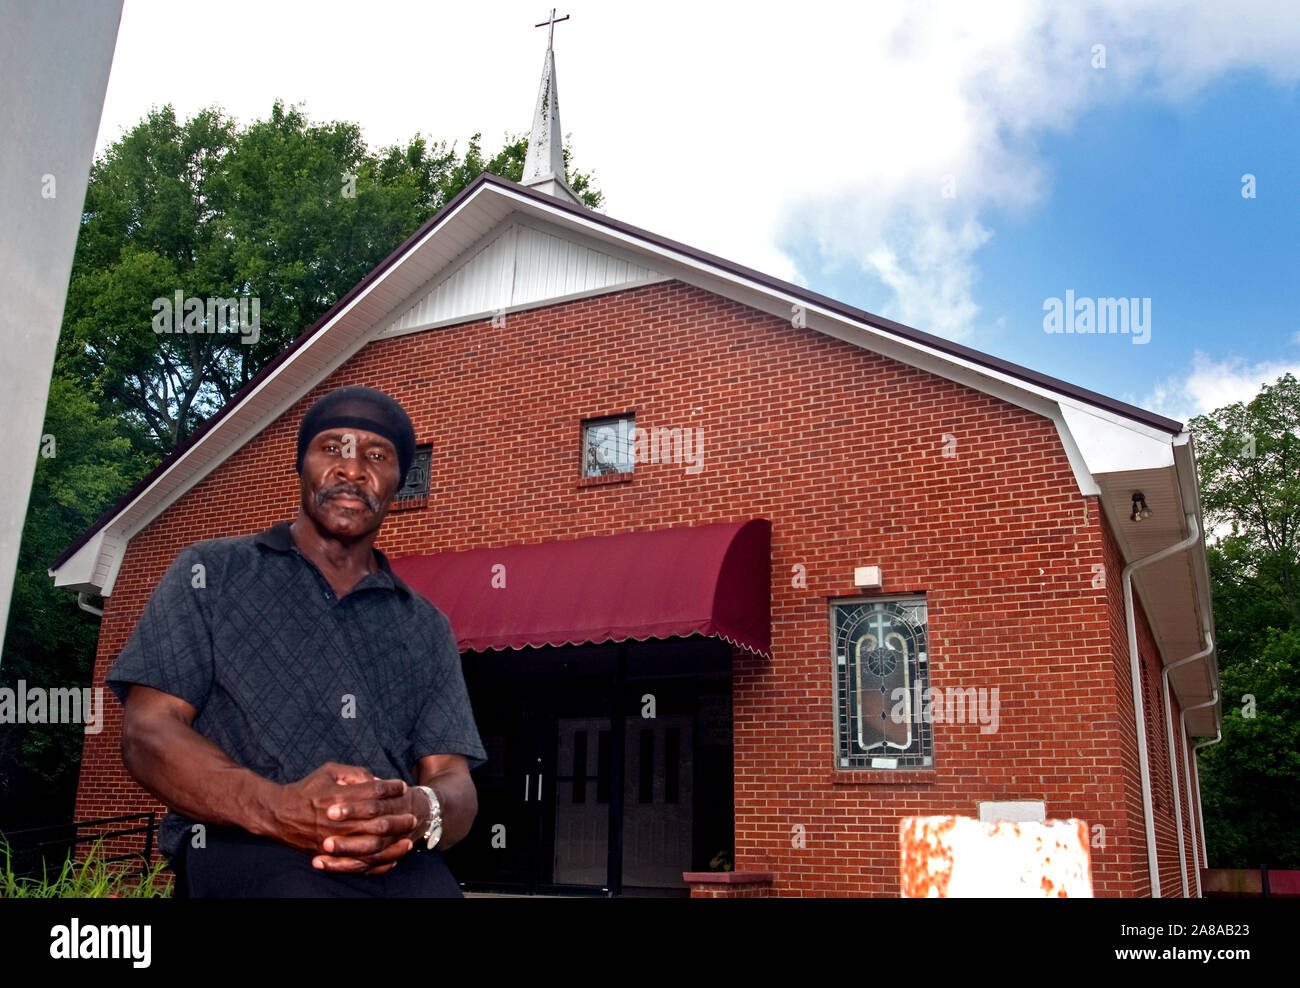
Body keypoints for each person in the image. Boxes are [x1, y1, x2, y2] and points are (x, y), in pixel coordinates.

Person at [107, 386, 486, 897]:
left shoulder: (425, 625)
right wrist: (280, 809)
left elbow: (453, 780)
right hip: (243, 843)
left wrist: (416, 812)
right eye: (332, 448)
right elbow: (147, 731)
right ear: (300, 465)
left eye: (377, 456)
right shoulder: (211, 573)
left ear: (399, 481)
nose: (353, 470)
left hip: (388, 860)